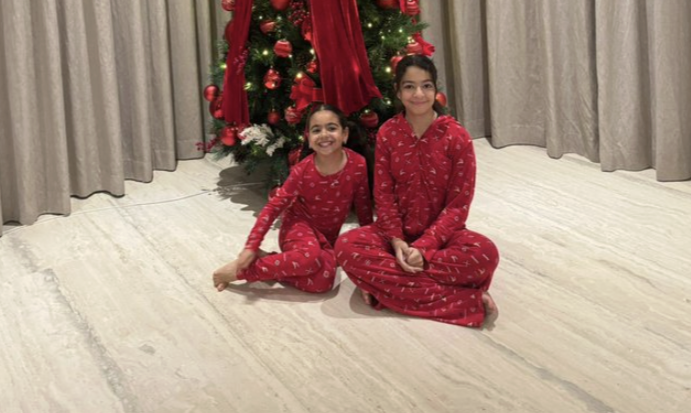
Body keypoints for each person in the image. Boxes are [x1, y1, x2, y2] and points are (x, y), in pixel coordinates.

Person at [335, 55, 498, 327]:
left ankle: (383, 289)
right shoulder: (388, 133)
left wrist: (423, 248)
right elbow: (383, 195)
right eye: (409, 86)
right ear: (398, 92)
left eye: (426, 85)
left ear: (435, 89)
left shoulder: (457, 136)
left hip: (442, 239)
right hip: (394, 238)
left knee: (485, 254)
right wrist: (398, 242)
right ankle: (464, 300)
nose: (419, 94)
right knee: (346, 246)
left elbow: (458, 206)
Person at [213, 105, 371, 293]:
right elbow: (273, 208)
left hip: (327, 239)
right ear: (309, 139)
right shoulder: (302, 170)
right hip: (298, 228)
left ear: (344, 134)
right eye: (316, 130)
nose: (324, 135)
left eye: (331, 128)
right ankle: (240, 272)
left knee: (323, 282)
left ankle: (269, 259)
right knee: (309, 258)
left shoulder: (358, 164)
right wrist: (251, 247)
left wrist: (369, 244)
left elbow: (363, 206)